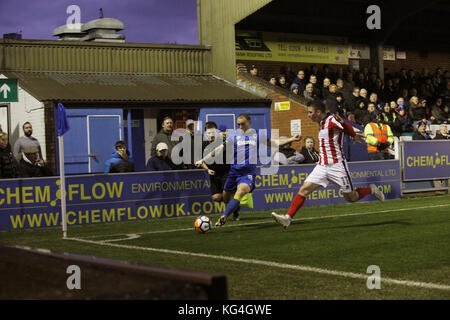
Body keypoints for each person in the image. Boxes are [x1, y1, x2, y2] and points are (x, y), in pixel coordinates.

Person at [271, 100, 385, 229]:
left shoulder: (331, 120)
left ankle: (371, 189)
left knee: (351, 197)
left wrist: (353, 134)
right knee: (304, 189)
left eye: (310, 112)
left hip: (337, 166)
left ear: (318, 112)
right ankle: (288, 218)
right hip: (322, 166)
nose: (308, 115)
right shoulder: (322, 122)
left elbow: (344, 125)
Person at [196, 114, 301, 227]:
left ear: (249, 122)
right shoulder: (234, 136)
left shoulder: (257, 134)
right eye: (238, 124)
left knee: (240, 192)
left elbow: (274, 142)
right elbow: (219, 149)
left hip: (247, 174)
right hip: (233, 172)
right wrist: (203, 159)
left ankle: (224, 216)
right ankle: (234, 208)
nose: (240, 126)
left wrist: (292, 139)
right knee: (225, 198)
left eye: (243, 124)